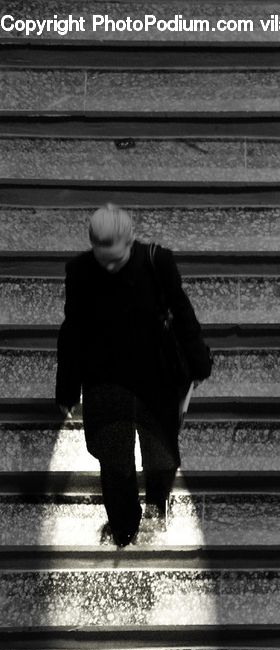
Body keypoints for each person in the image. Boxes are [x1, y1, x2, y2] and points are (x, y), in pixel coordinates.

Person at [56, 204, 211, 546]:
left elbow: (183, 314)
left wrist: (198, 364)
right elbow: (73, 333)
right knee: (114, 462)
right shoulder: (80, 271)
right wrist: (67, 391)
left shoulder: (157, 262)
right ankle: (124, 525)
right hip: (105, 381)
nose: (109, 266)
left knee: (161, 455)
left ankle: (158, 500)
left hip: (157, 378)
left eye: (117, 259)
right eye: (102, 258)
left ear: (130, 242)